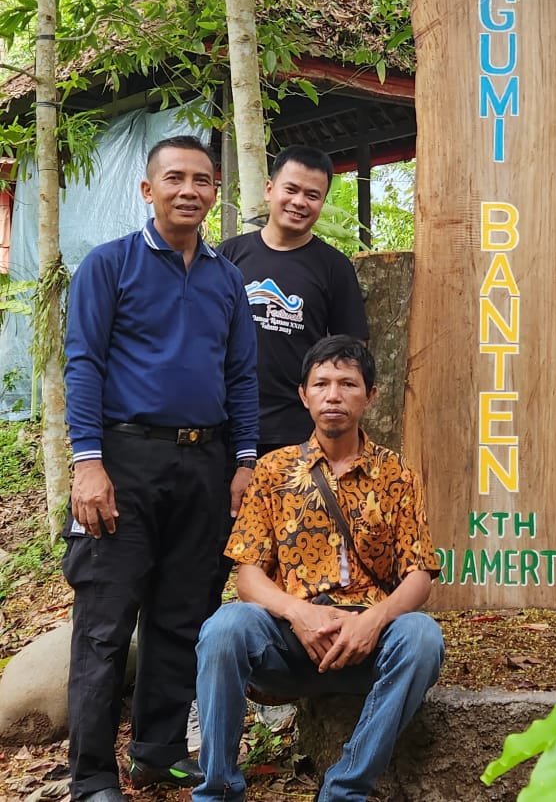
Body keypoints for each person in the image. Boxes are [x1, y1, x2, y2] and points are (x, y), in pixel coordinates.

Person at [63, 135, 259, 802]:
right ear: (148, 190)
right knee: (106, 620)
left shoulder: (225, 278)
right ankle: (91, 777)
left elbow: (241, 374)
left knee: (184, 614)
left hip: (204, 463)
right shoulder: (109, 266)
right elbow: (83, 364)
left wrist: (243, 461)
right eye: (173, 178)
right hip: (123, 460)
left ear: (214, 193)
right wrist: (87, 462)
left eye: (202, 180)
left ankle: (159, 751)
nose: (189, 190)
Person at [193, 336, 444, 802]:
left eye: (348, 384)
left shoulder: (397, 475)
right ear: (303, 395)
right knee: (224, 627)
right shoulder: (273, 471)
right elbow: (248, 573)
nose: (334, 395)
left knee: (422, 637)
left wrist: (374, 620)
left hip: (366, 644)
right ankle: (218, 789)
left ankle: (344, 790)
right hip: (290, 646)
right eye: (322, 383)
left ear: (369, 395)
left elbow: (419, 573)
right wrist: (296, 612)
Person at [219, 145, 369, 456]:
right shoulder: (228, 256)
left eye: (312, 195)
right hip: (223, 423)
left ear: (322, 202)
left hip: (296, 430)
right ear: (269, 190)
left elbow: (351, 352)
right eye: (291, 189)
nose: (299, 202)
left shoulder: (334, 267)